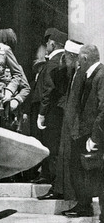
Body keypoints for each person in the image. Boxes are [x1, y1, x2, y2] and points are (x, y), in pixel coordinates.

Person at [62, 45, 104, 220]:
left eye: (79, 58)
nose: (77, 62)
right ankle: (83, 205)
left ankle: (88, 208)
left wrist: (94, 138)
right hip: (84, 132)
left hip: (92, 134)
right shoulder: (91, 75)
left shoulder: (100, 76)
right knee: (79, 168)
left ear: (85, 58)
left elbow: (103, 109)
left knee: (91, 173)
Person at [38, 40, 84, 200]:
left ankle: (61, 189)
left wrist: (42, 114)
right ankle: (60, 188)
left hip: (67, 117)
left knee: (59, 151)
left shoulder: (80, 73)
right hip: (66, 116)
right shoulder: (70, 70)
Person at [33, 28, 69, 185]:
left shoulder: (54, 62)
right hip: (55, 111)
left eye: (48, 43)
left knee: (51, 146)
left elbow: (48, 89)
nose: (46, 45)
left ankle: (55, 184)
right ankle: (47, 176)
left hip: (51, 112)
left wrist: (42, 113)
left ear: (53, 44)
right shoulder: (61, 60)